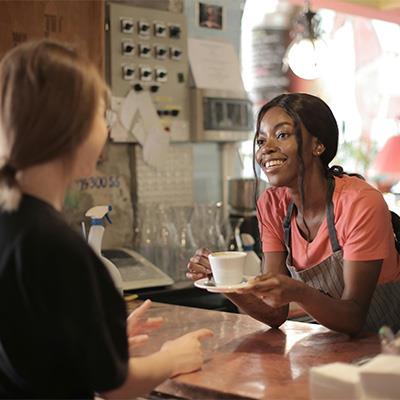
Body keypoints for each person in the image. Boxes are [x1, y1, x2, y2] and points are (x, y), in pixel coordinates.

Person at [0, 39, 213, 399]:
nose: (108, 130)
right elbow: (114, 385)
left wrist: (98, 336)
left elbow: (31, 344)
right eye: (102, 115)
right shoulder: (58, 246)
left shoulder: (13, 226)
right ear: (72, 128)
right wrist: (170, 358)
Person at [188, 93, 400, 336]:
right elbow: (275, 313)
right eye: (260, 140)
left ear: (318, 145)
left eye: (282, 135)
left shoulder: (359, 203)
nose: (266, 149)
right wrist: (223, 281)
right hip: (334, 345)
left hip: (388, 348)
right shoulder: (272, 205)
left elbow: (353, 317)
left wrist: (299, 291)